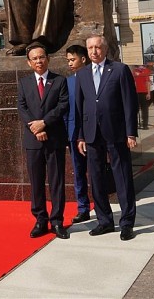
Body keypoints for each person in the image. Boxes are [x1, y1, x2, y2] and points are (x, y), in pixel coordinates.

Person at [74, 35, 138, 241]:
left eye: (98, 47)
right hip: (92, 134)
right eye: (90, 48)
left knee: (122, 177)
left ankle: (127, 222)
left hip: (116, 132)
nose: (94, 51)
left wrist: (131, 132)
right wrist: (81, 136)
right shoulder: (82, 74)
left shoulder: (119, 69)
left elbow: (130, 103)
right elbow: (80, 106)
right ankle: (104, 221)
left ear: (105, 48)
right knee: (96, 178)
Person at [18, 45, 70, 239]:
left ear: (47, 59)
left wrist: (44, 123)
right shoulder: (24, 83)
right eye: (34, 59)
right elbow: (22, 108)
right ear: (29, 62)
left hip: (54, 139)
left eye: (41, 57)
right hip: (33, 141)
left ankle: (57, 221)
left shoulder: (59, 81)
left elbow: (63, 105)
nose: (39, 61)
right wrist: (35, 128)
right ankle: (40, 219)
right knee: (37, 182)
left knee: (57, 182)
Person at [64, 45, 90, 225]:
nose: (70, 63)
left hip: (93, 133)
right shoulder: (67, 82)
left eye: (73, 59)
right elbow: (66, 110)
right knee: (78, 173)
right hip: (73, 133)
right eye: (68, 61)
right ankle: (83, 208)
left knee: (97, 173)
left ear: (83, 59)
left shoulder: (94, 77)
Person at [132, 63, 153, 130]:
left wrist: (148, 93)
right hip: (137, 93)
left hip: (142, 92)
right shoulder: (134, 71)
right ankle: (140, 124)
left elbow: (148, 83)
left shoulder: (144, 71)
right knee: (139, 110)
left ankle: (143, 125)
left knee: (143, 110)